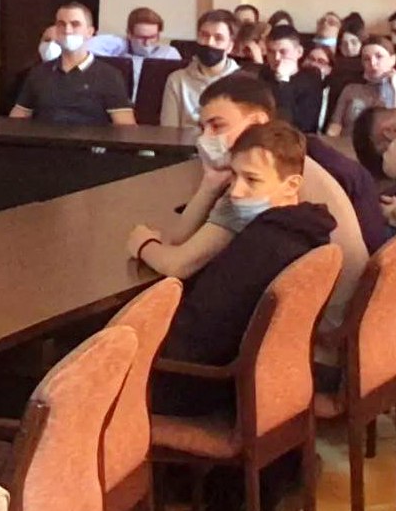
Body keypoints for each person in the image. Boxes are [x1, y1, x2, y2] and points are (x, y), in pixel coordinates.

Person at [134, 120, 337, 511]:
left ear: (291, 184)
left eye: (252, 180)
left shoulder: (263, 243)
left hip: (201, 386)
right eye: (235, 177)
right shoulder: (308, 231)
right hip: (260, 387)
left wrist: (135, 358)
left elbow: (197, 337)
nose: (237, 192)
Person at [129, 74, 366, 363]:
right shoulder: (286, 161)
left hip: (314, 343)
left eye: (217, 126)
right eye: (202, 128)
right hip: (329, 335)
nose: (206, 138)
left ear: (257, 123)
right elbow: (181, 240)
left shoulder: (260, 178)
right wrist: (211, 183)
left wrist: (143, 243)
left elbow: (179, 261)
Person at [10, 3, 134, 126]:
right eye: (61, 24)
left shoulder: (109, 76)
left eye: (75, 24)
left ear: (89, 32)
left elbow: (125, 128)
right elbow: (17, 120)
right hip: (44, 138)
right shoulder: (38, 73)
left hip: (89, 139)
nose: (67, 30)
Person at [160, 9, 242, 127]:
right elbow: (168, 130)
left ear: (230, 46)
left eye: (218, 38)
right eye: (204, 35)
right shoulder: (177, 80)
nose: (209, 43)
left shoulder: (243, 83)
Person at [325, 35, 396, 138]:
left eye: (379, 57)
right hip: (346, 144)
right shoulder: (351, 89)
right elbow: (335, 125)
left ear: (393, 60)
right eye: (366, 59)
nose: (372, 63)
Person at [259, 25, 323, 133]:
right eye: (271, 51)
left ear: (299, 52)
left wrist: (283, 80)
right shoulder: (264, 74)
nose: (276, 58)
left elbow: (303, 125)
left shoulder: (311, 80)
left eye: (283, 52)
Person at [88, 7, 183, 72]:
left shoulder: (169, 54)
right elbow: (88, 47)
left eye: (153, 37)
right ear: (129, 34)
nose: (147, 43)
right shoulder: (120, 51)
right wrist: (122, 44)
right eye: (142, 38)